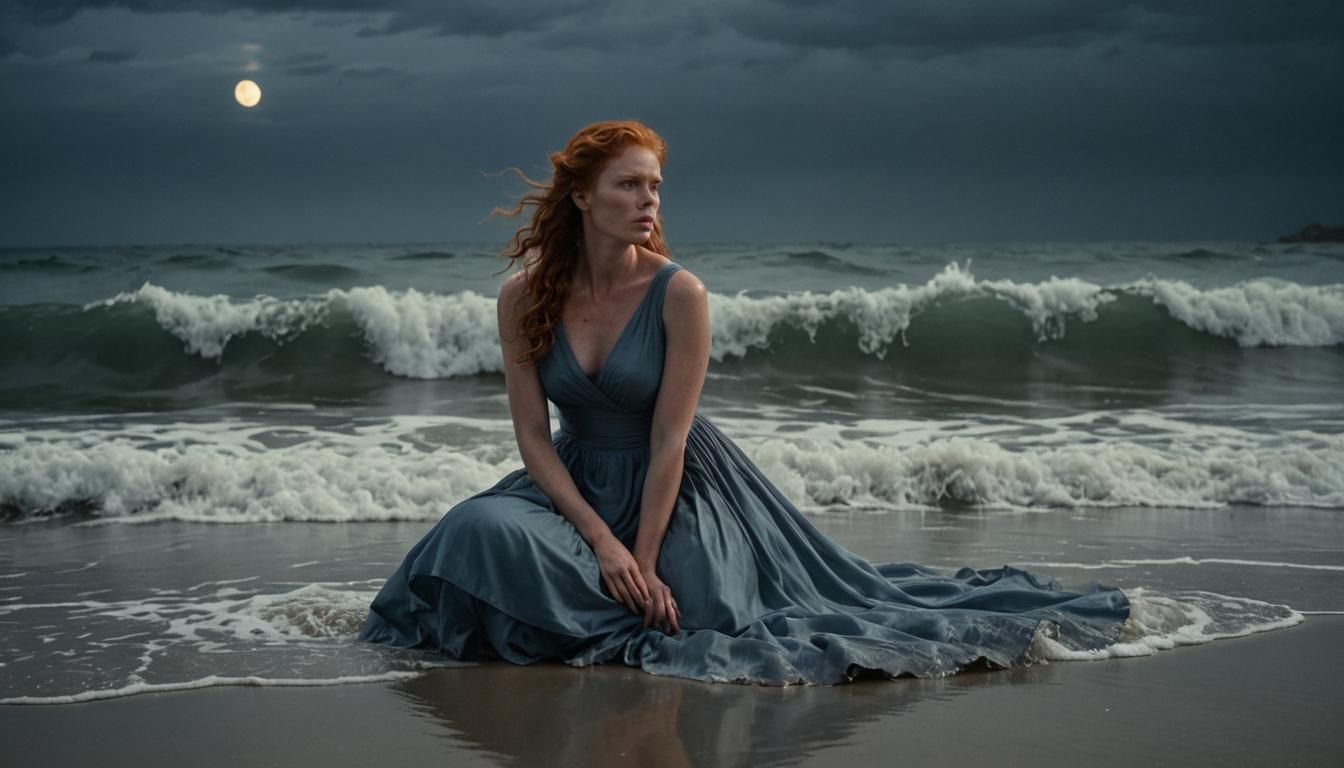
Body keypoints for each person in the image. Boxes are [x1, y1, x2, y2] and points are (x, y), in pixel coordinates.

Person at [358, 120, 1130, 684]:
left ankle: (608, 594)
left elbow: (669, 441)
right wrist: (603, 544)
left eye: (655, 185)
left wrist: (647, 557)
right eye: (629, 184)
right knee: (475, 528)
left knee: (701, 613)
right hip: (575, 486)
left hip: (684, 485)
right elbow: (532, 437)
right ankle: (585, 584)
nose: (648, 200)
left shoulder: (678, 293)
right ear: (584, 197)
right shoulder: (523, 297)